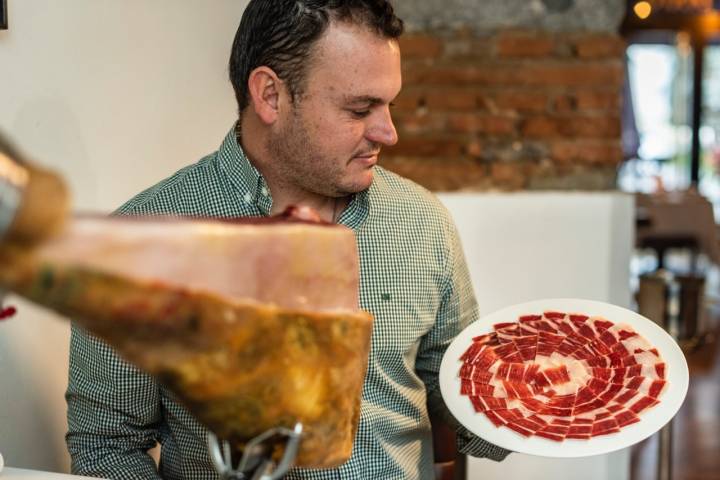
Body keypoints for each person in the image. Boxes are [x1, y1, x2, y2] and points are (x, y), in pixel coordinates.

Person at [65, 1, 510, 478]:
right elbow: (106, 446)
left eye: (389, 105)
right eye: (360, 108)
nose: (389, 132)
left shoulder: (422, 222)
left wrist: (539, 402)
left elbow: (458, 389)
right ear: (271, 95)